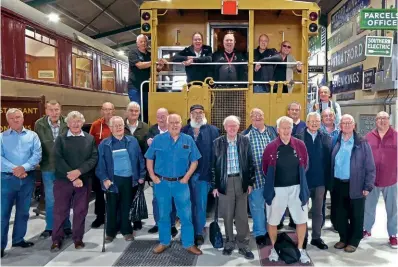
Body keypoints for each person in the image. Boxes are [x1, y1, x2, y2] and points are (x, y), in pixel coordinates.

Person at [145, 114, 202, 255]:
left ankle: (188, 243)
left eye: (177, 122)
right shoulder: (158, 139)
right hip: (162, 183)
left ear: (181, 124)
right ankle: (164, 242)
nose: (174, 125)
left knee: (186, 215)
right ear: (167, 123)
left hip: (181, 184)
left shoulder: (188, 140)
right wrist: (152, 176)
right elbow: (149, 158)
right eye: (171, 122)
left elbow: (195, 161)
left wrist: (187, 177)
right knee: (163, 215)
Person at [262, 116, 310, 263]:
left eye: (289, 127)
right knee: (273, 221)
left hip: (297, 189)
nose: (286, 131)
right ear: (278, 130)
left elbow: (305, 164)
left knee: (301, 220)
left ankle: (301, 249)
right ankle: (275, 249)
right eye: (283, 128)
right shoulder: (270, 147)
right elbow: (265, 169)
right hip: (277, 190)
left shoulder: (300, 145)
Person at [51, 111, 98, 251]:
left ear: (82, 123)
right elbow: (57, 159)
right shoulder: (61, 139)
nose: (75, 124)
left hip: (83, 181)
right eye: (72, 121)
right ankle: (56, 240)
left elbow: (93, 158)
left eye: (78, 121)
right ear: (68, 123)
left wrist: (79, 172)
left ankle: (78, 239)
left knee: (80, 211)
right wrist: (73, 176)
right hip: (63, 181)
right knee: (60, 211)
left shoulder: (89, 139)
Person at [96, 116, 146, 243]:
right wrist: (104, 179)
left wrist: (141, 175)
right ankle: (110, 232)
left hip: (129, 180)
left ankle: (127, 231)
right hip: (112, 181)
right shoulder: (105, 144)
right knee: (111, 207)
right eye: (115, 126)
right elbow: (100, 165)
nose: (118, 128)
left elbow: (140, 159)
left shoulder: (132, 141)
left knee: (126, 206)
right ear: (111, 128)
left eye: (120, 125)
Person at [212, 115, 255, 260]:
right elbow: (213, 166)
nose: (232, 128)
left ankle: (243, 244)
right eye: (229, 126)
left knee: (242, 215)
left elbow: (250, 163)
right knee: (227, 214)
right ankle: (229, 242)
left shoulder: (245, 141)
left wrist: (250, 182)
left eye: (234, 125)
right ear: (225, 128)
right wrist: (215, 186)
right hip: (225, 182)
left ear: (239, 127)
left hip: (241, 180)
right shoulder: (217, 143)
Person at [331, 114, 375, 253]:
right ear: (340, 126)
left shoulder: (362, 143)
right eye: (344, 123)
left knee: (356, 214)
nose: (347, 125)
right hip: (338, 184)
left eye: (350, 122)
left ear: (354, 125)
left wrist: (368, 186)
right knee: (339, 214)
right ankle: (343, 238)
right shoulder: (336, 141)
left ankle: (354, 240)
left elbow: (370, 166)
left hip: (356, 184)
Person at [1, 108, 42, 258]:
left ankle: (18, 239)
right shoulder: (1, 137)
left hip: (27, 178)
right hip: (6, 179)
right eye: (12, 118)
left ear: (23, 118)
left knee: (23, 211)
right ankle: (0, 245)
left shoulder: (33, 136)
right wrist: (15, 169)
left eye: (18, 117)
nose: (16, 120)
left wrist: (24, 168)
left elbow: (37, 155)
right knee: (2, 213)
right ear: (8, 121)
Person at [181, 104, 219, 245]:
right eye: (195, 112)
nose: (198, 115)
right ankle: (188, 231)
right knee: (186, 205)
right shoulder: (183, 131)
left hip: (204, 176)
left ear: (204, 114)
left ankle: (198, 233)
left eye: (200, 112)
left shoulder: (213, 131)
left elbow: (216, 155)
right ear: (190, 115)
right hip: (185, 177)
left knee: (201, 205)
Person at [34, 100, 72, 239]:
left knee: (65, 198)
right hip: (48, 167)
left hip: (64, 168)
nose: (54, 113)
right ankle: (50, 227)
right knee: (51, 199)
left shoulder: (67, 122)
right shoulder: (39, 124)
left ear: (60, 110)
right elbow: (37, 144)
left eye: (56, 110)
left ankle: (66, 225)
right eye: (51, 110)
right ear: (46, 111)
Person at [296, 112, 331, 250]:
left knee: (318, 212)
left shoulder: (326, 138)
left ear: (320, 122)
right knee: (302, 211)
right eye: (312, 121)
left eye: (317, 121)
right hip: (303, 182)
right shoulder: (298, 138)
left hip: (320, 182)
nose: (314, 123)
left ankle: (316, 237)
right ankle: (302, 238)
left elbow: (328, 160)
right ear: (307, 122)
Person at [244, 108, 277, 246]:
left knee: (272, 206)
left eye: (260, 115)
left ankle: (271, 231)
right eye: (254, 115)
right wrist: (248, 182)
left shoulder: (272, 133)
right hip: (256, 178)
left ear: (264, 116)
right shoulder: (245, 136)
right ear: (250, 118)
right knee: (257, 207)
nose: (257, 117)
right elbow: (244, 161)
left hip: (272, 178)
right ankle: (260, 233)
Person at [364, 111, 397, 248]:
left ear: (389, 120)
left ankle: (393, 234)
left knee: (392, 209)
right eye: (379, 118)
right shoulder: (368, 137)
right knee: (369, 207)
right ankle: (366, 229)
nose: (382, 121)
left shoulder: (395, 136)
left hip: (391, 178)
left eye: (385, 118)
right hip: (372, 179)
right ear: (375, 121)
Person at [146, 108, 178, 236]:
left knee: (172, 200)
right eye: (158, 116)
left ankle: (171, 225)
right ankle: (158, 223)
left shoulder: (175, 131)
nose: (161, 119)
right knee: (157, 200)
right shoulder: (151, 131)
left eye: (163, 116)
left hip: (174, 174)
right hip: (158, 174)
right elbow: (148, 155)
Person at [128, 34, 166, 122]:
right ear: (137, 43)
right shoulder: (133, 53)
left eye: (145, 41)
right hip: (135, 86)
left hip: (147, 87)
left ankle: (145, 127)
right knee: (136, 108)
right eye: (141, 41)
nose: (143, 43)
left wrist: (160, 65)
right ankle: (135, 127)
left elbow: (156, 69)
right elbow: (139, 65)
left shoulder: (150, 55)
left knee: (147, 109)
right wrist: (153, 62)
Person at [124, 101, 149, 231]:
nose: (134, 113)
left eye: (136, 111)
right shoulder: (120, 126)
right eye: (131, 110)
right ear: (126, 112)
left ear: (139, 112)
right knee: (124, 195)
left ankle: (137, 218)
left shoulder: (145, 127)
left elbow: (147, 149)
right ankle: (124, 220)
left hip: (139, 166)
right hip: (123, 167)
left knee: (137, 194)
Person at [89, 102, 114, 228]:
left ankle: (114, 216)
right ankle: (99, 216)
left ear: (113, 111)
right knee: (99, 191)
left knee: (114, 191)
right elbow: (90, 143)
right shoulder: (95, 125)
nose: (108, 112)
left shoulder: (117, 124)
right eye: (105, 109)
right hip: (100, 164)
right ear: (101, 111)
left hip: (114, 164)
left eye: (110, 110)